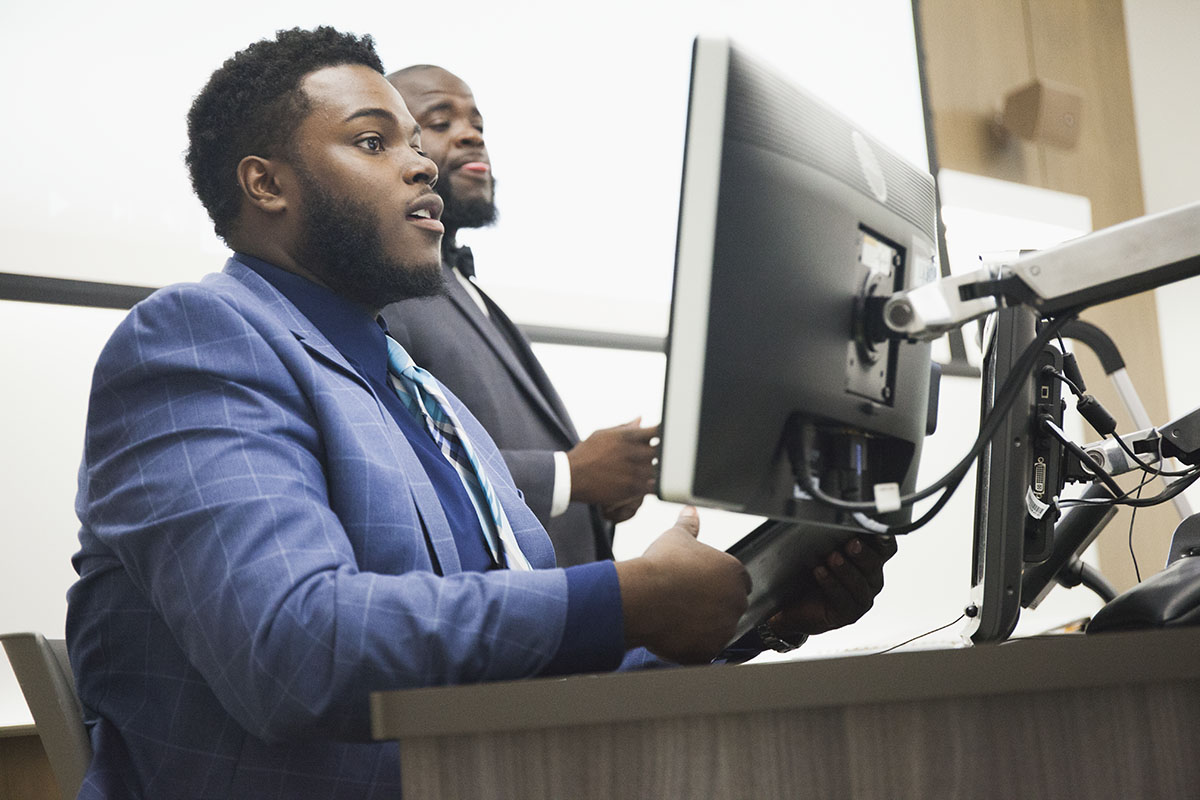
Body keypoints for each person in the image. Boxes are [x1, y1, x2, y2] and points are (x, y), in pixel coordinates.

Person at [65, 27, 895, 800]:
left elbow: (531, 691)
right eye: (372, 141)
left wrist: (742, 616)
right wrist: (621, 598)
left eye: (415, 145)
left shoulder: (426, 399)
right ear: (265, 183)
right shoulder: (198, 339)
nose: (421, 165)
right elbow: (295, 648)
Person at [381, 65, 654, 566]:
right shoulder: (383, 292)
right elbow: (403, 461)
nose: (470, 136)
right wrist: (570, 475)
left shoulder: (467, 289)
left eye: (478, 126)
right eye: (439, 124)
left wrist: (603, 492)